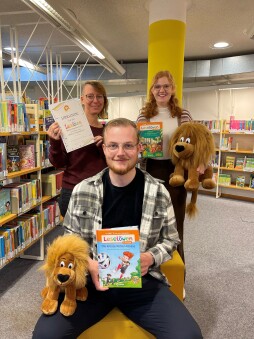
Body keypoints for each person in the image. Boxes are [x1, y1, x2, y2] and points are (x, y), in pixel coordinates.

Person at [33, 118, 202, 339]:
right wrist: (90, 265)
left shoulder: (159, 192)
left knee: (189, 336)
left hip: (142, 282)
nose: (120, 152)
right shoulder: (84, 190)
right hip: (90, 284)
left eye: (128, 145)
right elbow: (69, 241)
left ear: (139, 148)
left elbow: (171, 240)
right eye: (113, 145)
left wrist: (150, 258)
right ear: (104, 148)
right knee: (45, 336)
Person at [137, 70, 192, 264]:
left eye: (166, 86)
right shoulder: (144, 115)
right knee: (150, 220)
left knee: (176, 222)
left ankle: (178, 270)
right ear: (152, 90)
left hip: (176, 172)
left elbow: (192, 142)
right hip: (149, 169)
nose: (162, 90)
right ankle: (151, 266)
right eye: (157, 86)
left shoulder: (182, 114)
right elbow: (138, 146)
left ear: (172, 89)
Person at [47, 81, 108, 217]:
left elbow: (112, 164)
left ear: (104, 100)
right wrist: (55, 142)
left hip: (100, 190)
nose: (95, 101)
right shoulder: (68, 127)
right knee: (75, 237)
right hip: (73, 189)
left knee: (100, 235)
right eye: (90, 96)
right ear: (81, 99)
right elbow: (59, 163)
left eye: (99, 96)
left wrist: (105, 148)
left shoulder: (108, 131)